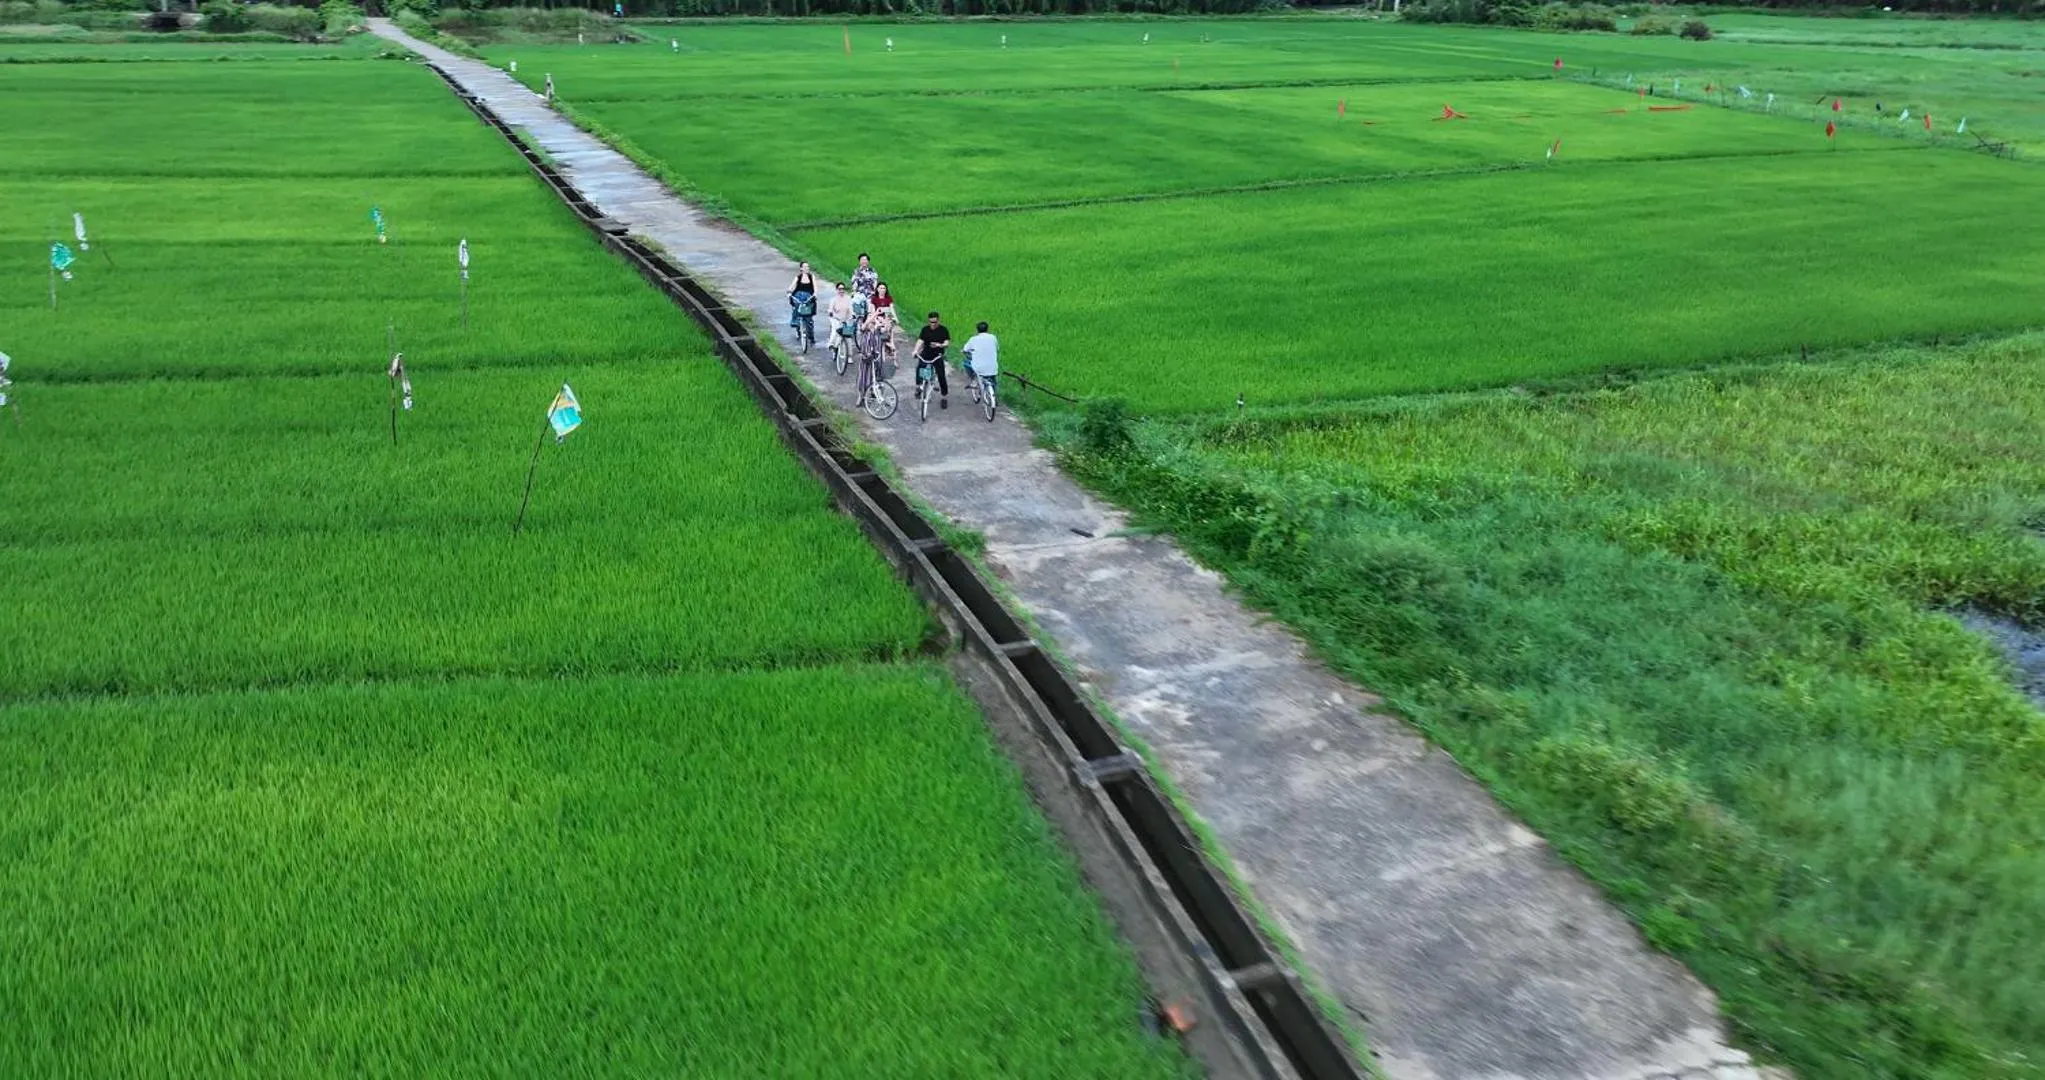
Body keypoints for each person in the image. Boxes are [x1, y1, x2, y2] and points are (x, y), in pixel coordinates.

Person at [916, 310, 951, 408]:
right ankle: (919, 386)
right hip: (926, 353)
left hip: (937, 355)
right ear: (929, 321)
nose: (933, 324)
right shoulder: (925, 329)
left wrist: (940, 345)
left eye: (935, 322)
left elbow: (947, 343)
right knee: (920, 368)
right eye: (931, 322)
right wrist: (915, 350)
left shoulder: (943, 330)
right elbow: (920, 341)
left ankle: (944, 396)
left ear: (938, 321)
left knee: (941, 375)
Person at [963, 320, 999, 401]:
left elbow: (965, 349)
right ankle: (994, 396)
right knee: (993, 379)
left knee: (965, 363)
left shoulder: (973, 339)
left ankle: (973, 379)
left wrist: (964, 351)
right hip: (992, 367)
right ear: (987, 329)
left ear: (977, 330)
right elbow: (997, 348)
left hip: (978, 368)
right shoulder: (993, 337)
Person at [788, 264, 817, 344]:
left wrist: (815, 294)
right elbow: (792, 285)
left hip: (808, 298)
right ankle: (796, 325)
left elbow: (815, 287)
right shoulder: (798, 277)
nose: (807, 268)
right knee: (797, 310)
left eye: (808, 266)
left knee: (809, 318)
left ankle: (811, 336)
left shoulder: (811, 277)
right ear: (801, 268)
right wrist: (789, 291)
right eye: (805, 267)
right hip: (799, 297)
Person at [826, 282, 855, 361]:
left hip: (846, 319)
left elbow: (850, 308)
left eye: (843, 289)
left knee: (848, 337)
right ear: (837, 290)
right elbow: (830, 309)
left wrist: (853, 315)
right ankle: (832, 345)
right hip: (836, 319)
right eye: (840, 289)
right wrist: (831, 312)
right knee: (836, 331)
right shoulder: (833, 299)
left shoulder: (848, 298)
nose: (841, 291)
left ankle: (849, 356)